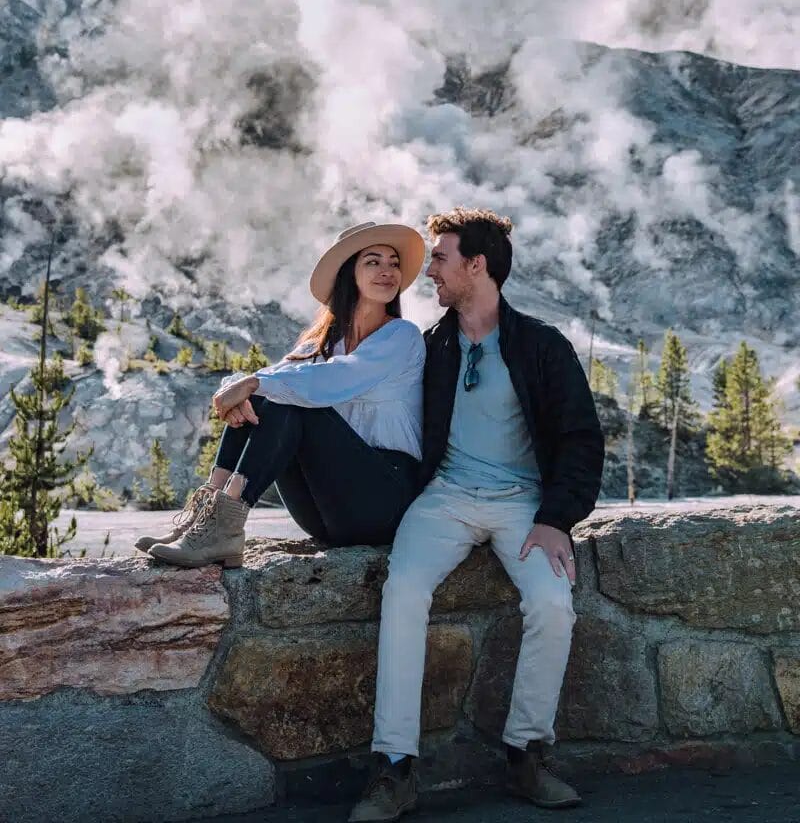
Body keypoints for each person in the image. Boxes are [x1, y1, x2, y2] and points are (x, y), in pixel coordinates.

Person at [349, 208, 605, 822]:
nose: (427, 271)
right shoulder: (426, 346)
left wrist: (556, 517)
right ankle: (394, 767)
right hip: (443, 498)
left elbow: (580, 439)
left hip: (526, 505)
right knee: (404, 590)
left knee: (551, 603)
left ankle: (525, 754)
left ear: (477, 266)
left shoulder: (542, 345)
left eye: (439, 259)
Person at [138, 221, 426, 568]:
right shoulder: (319, 346)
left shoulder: (401, 337)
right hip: (328, 512)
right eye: (373, 262)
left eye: (393, 263)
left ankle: (223, 528)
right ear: (349, 274)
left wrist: (253, 384)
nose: (388, 271)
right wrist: (237, 388)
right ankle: (209, 516)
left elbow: (339, 377)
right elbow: (276, 377)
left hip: (386, 499)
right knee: (266, 397)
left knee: (289, 400)